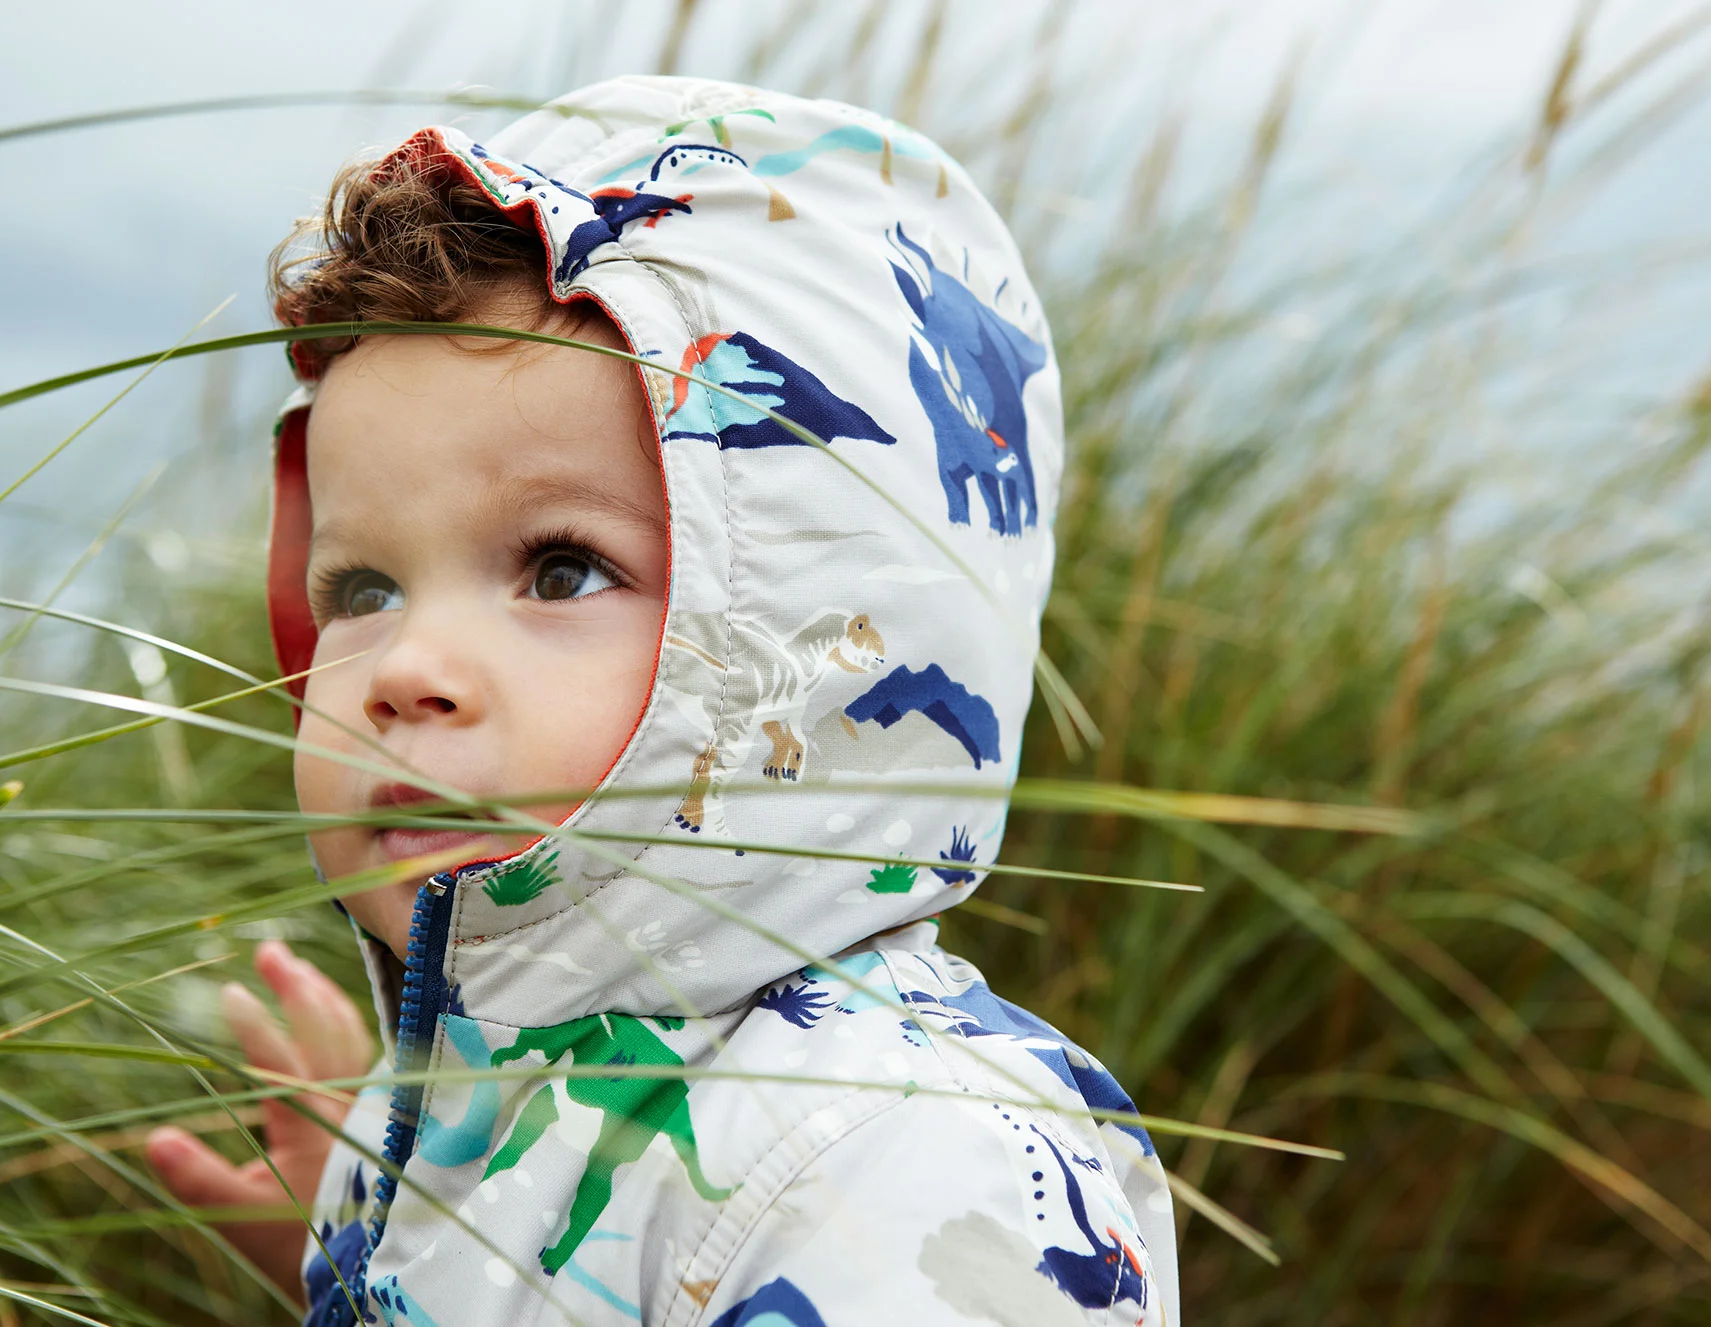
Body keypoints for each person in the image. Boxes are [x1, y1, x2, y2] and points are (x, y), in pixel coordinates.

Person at [146, 75, 1179, 1326]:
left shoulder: (897, 1157)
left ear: (817, 630)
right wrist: (344, 1249)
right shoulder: (450, 1105)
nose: (408, 671)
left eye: (560, 569)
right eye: (362, 589)